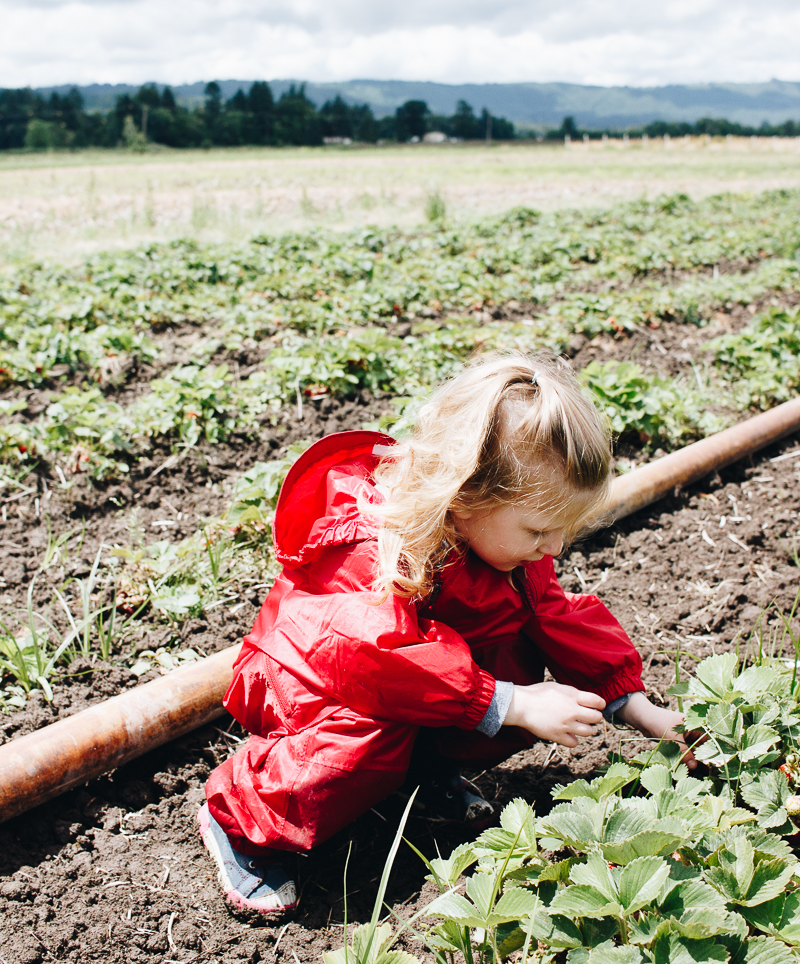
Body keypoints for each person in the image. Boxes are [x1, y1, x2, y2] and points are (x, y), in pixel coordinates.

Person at [198, 351, 687, 916]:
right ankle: (241, 816)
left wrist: (637, 707)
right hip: (309, 684)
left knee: (519, 650)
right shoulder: (374, 545)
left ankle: (417, 773)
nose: (554, 548)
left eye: (563, 531)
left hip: (407, 678)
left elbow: (557, 614)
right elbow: (374, 656)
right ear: (465, 495)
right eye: (539, 530)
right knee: (377, 731)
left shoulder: (507, 548)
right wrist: (504, 701)